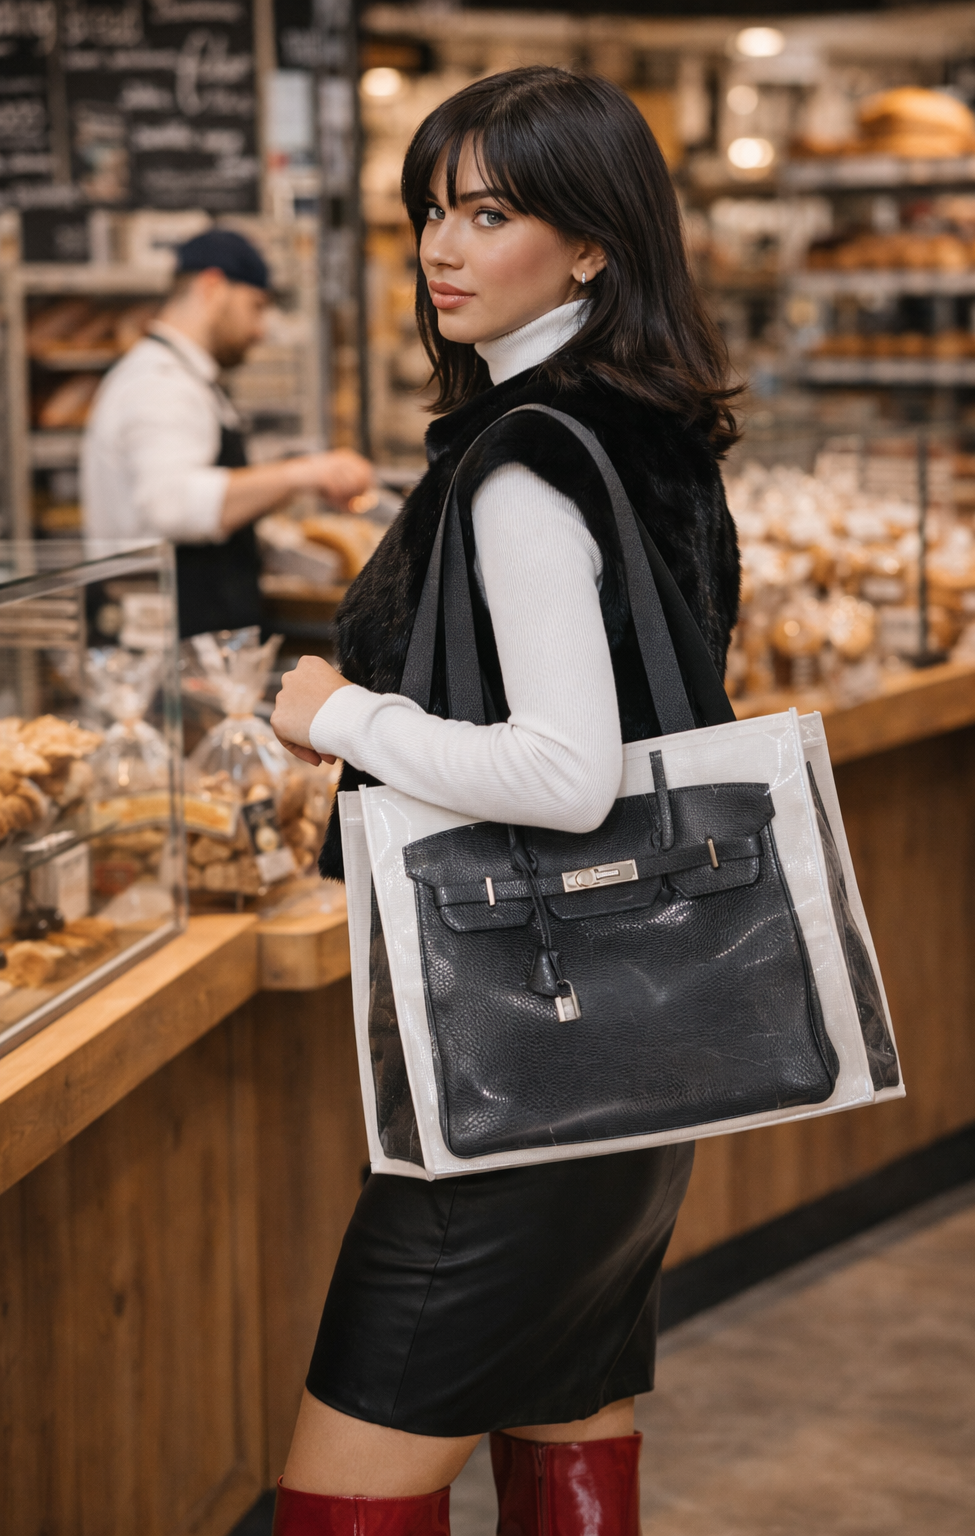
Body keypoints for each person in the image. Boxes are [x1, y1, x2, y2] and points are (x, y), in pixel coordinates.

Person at [269, 66, 740, 1535]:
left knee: (344, 1485)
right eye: (430, 211)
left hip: (517, 1065)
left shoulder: (522, 463)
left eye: (491, 211)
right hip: (638, 1045)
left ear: (591, 242)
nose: (442, 248)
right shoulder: (646, 424)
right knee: (567, 1414)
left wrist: (333, 714)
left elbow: (564, 769)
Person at [81, 228, 372, 638]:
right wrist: (303, 473)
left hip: (196, 634)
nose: (260, 330)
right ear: (213, 287)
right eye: (256, 306)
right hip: (162, 643)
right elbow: (173, 506)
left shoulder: (189, 381)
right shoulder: (160, 383)